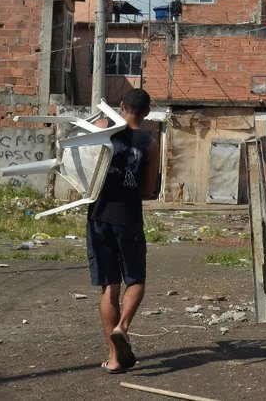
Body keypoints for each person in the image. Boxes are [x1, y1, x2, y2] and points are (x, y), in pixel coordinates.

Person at [86, 88, 158, 374]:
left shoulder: (103, 130)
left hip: (99, 215)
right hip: (128, 216)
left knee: (109, 285)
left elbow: (81, 155)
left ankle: (114, 359)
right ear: (147, 113)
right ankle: (123, 326)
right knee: (136, 280)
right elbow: (148, 189)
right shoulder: (150, 143)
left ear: (122, 105)